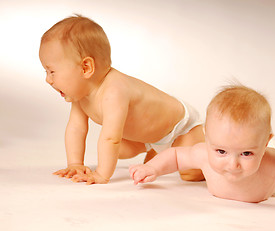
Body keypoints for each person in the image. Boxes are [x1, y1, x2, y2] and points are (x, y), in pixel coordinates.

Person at [39, 15, 205, 184]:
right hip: (148, 136)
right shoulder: (81, 95)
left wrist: (102, 175)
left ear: (86, 67)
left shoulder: (115, 90)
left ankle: (208, 149)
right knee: (117, 151)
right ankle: (156, 149)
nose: (48, 79)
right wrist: (75, 164)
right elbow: (76, 129)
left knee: (191, 174)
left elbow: (111, 137)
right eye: (46, 72)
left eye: (52, 72)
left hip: (180, 129)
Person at [130, 85, 275, 206]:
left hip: (272, 180)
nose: (232, 163)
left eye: (246, 154)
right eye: (221, 151)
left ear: (264, 144)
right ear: (206, 136)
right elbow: (175, 156)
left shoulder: (270, 161)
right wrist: (152, 168)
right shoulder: (202, 154)